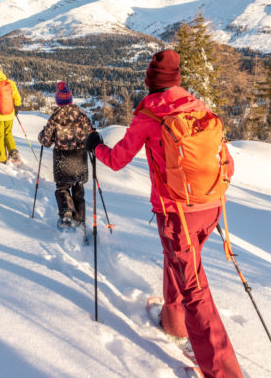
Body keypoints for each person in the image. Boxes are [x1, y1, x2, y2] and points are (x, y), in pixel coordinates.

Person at [84, 50, 242, 378]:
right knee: (180, 265)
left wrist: (95, 146)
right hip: (211, 208)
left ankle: (222, 372)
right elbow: (228, 163)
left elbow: (116, 160)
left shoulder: (149, 115)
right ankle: (174, 323)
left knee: (196, 292)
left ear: (150, 82)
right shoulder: (200, 108)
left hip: (175, 215)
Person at [38, 82, 93, 225]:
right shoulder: (81, 114)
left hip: (62, 158)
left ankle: (66, 209)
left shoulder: (55, 117)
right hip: (79, 157)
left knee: (62, 188)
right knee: (78, 189)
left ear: (58, 100)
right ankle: (80, 221)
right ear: (70, 99)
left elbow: (46, 141)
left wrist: (41, 135)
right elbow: (90, 133)